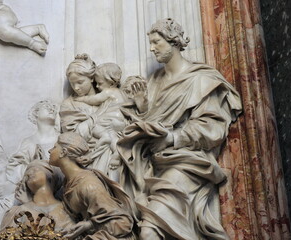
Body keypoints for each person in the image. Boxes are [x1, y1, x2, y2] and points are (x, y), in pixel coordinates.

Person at [117, 18, 242, 240]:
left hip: (187, 163)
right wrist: (142, 107)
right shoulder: (154, 81)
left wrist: (173, 138)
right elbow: (154, 120)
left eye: (157, 42)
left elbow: (211, 127)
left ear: (174, 41)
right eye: (151, 42)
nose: (152, 48)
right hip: (153, 162)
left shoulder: (201, 78)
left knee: (149, 230)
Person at [49, 132, 136, 240]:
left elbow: (122, 223)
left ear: (63, 152)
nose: (49, 151)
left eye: (54, 147)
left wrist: (89, 225)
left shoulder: (88, 185)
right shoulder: (69, 182)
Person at [60, 54, 124, 180]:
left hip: (113, 151)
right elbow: (71, 135)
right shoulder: (69, 104)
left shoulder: (107, 96)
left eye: (80, 82)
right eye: (72, 84)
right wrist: (96, 120)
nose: (76, 88)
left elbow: (127, 116)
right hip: (86, 156)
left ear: (92, 78)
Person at [76, 63, 128, 174]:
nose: (97, 87)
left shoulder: (109, 91)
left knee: (95, 127)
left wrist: (82, 99)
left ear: (111, 82)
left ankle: (105, 137)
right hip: (120, 120)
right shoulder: (122, 93)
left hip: (110, 118)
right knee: (113, 135)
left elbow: (95, 100)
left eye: (99, 83)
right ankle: (116, 151)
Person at [0, 160, 74, 234]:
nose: (29, 174)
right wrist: (28, 205)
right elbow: (4, 236)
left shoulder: (66, 210)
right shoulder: (17, 212)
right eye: (26, 175)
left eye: (35, 169)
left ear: (51, 175)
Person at [7, 100, 59, 183]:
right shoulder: (29, 142)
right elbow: (15, 168)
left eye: (53, 108)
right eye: (47, 107)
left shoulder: (62, 138)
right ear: (36, 113)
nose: (52, 109)